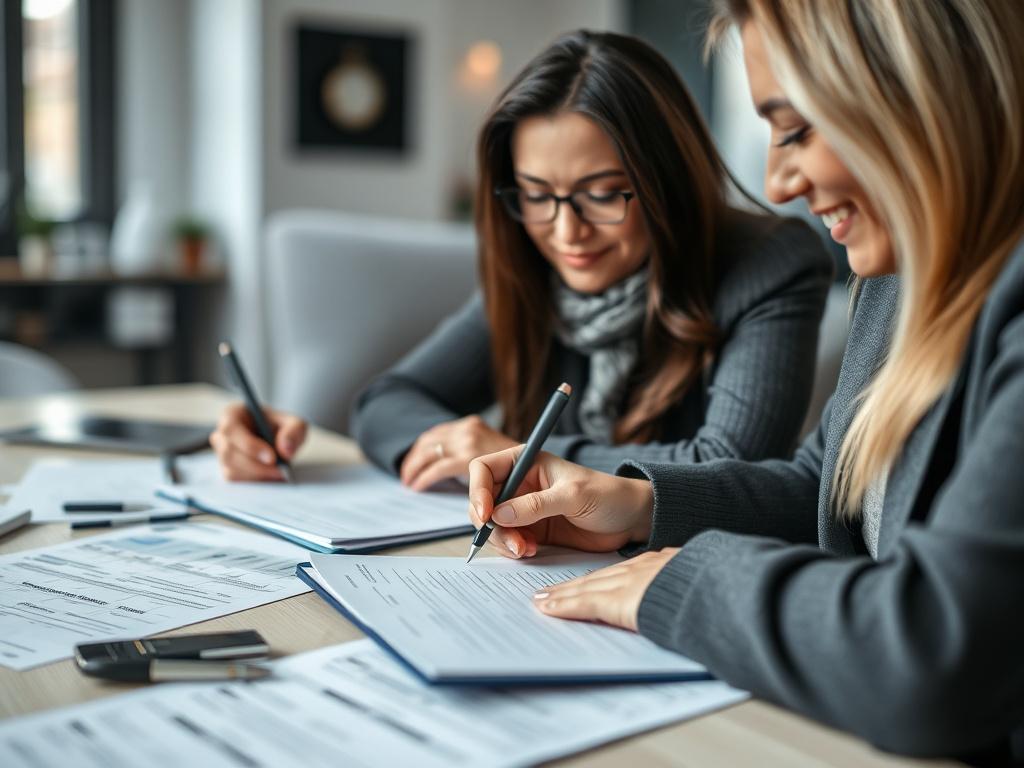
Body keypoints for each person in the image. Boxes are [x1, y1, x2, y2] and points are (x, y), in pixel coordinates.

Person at [467, 1, 1024, 761]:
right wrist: (638, 503)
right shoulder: (898, 283)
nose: (777, 179)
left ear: (921, 97)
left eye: (795, 128)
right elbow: (826, 491)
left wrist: (688, 583)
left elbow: (936, 654)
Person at [211, 30, 831, 490]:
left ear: (667, 181)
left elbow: (733, 471)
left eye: (601, 194)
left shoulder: (770, 264)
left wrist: (517, 450)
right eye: (536, 195)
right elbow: (386, 401)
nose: (566, 232)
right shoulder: (532, 271)